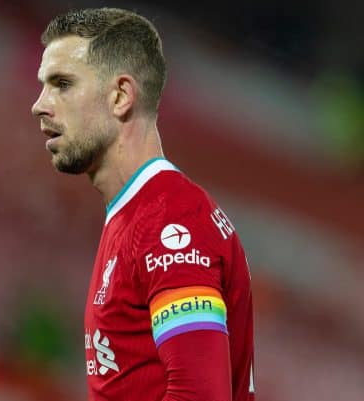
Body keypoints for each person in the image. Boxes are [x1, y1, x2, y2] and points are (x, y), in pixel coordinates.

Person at [31, 7, 254, 401]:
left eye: (62, 84)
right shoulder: (137, 215)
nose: (40, 104)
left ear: (120, 96)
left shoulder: (171, 224)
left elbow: (200, 396)